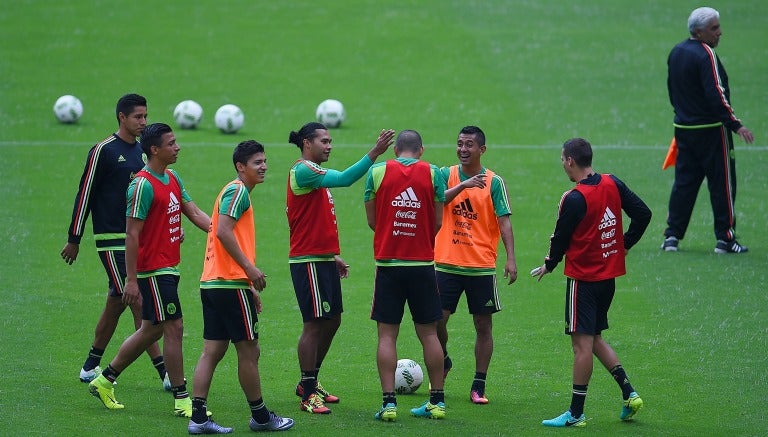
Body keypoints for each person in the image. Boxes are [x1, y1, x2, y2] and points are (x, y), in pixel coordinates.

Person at [88, 123, 211, 418]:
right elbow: (131, 234)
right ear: (155, 150)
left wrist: (223, 234)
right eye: (172, 143)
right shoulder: (141, 185)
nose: (177, 147)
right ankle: (182, 398)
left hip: (168, 265)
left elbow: (192, 212)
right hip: (153, 270)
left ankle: (104, 380)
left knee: (151, 329)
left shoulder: (172, 177)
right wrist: (130, 280)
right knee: (174, 327)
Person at [532, 138, 651, 427]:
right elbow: (643, 214)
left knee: (581, 346)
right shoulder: (612, 183)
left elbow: (560, 238)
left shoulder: (573, 198)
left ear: (570, 160)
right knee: (595, 338)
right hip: (607, 279)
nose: (562, 164)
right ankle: (629, 393)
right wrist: (624, 245)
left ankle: (575, 414)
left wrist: (549, 264)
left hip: (583, 281)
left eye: (562, 159)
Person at [286, 122, 395, 414]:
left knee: (332, 320)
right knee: (313, 324)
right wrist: (375, 152)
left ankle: (310, 380)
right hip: (307, 261)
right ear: (307, 143)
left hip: (321, 258)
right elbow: (347, 178)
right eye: (324, 141)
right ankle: (307, 393)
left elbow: (311, 220)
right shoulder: (304, 171)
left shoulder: (315, 177)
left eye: (331, 140)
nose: (329, 145)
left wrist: (332, 255)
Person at [61, 93, 168, 388]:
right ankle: (166, 373)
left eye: (146, 116)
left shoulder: (143, 153)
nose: (143, 122)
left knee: (117, 301)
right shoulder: (103, 151)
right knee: (140, 303)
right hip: (110, 240)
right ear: (122, 117)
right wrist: (74, 238)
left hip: (137, 241)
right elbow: (85, 194)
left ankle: (90, 365)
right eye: (138, 117)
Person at [188, 140, 294, 434]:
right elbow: (222, 231)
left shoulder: (232, 191)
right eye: (257, 162)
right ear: (240, 167)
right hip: (229, 284)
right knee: (249, 351)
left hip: (213, 283)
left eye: (264, 161)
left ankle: (198, 418)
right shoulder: (237, 191)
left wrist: (247, 284)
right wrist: (249, 270)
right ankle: (261, 417)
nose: (264, 167)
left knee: (212, 352)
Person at [364, 129, 448, 421]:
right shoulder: (435, 173)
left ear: (395, 150)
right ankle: (437, 402)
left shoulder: (376, 172)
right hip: (422, 265)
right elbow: (438, 221)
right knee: (428, 333)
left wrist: (392, 232)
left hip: (389, 266)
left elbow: (373, 221)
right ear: (421, 150)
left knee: (387, 335)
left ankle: (388, 405)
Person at [434, 126, 517, 405]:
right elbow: (438, 199)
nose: (463, 149)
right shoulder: (447, 175)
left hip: (480, 266)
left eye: (469, 144)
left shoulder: (494, 182)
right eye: (459, 143)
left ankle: (479, 385)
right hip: (446, 263)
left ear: (482, 149)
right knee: (436, 322)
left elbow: (504, 221)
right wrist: (463, 186)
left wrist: (511, 258)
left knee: (483, 325)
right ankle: (444, 360)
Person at [662, 6, 754, 253]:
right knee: (722, 184)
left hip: (683, 129)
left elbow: (672, 91)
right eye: (714, 28)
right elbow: (716, 92)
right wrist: (735, 124)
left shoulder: (677, 51)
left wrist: (683, 114)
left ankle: (671, 237)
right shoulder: (706, 54)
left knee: (684, 184)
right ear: (700, 32)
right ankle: (725, 239)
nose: (720, 33)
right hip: (712, 131)